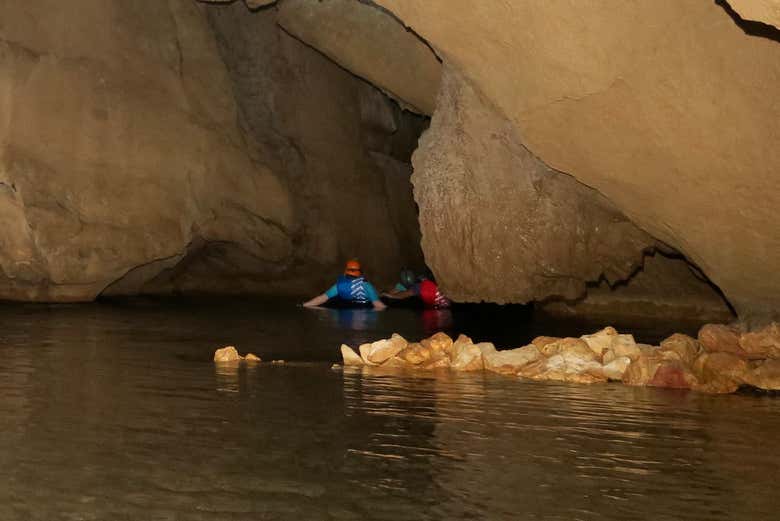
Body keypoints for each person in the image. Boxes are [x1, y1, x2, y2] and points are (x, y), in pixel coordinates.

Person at [303, 259, 387, 310]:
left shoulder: (339, 286)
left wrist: (304, 305)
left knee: (333, 298)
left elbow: (321, 298)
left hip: (344, 310)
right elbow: (378, 305)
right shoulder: (367, 286)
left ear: (345, 272)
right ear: (360, 273)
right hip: (364, 307)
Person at [382, 270, 451, 309]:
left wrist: (390, 295)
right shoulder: (429, 283)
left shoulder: (418, 287)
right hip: (446, 304)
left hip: (440, 305)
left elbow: (403, 295)